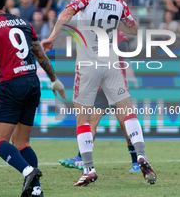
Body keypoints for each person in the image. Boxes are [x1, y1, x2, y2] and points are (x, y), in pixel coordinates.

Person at [41, 0, 156, 186]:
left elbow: (66, 13)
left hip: (88, 64)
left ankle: (88, 169)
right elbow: (133, 29)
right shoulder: (118, 1)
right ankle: (141, 154)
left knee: (83, 118)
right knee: (127, 113)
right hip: (113, 64)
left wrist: (53, 36)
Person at [0, 0, 66, 197]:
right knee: (22, 143)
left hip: (12, 85)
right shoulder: (24, 22)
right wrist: (54, 79)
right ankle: (36, 191)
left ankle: (28, 171)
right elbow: (39, 53)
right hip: (32, 82)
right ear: (5, 0)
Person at [59, 30, 141, 173]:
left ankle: (137, 162)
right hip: (99, 86)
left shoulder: (119, 34)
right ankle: (80, 158)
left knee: (124, 123)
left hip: (115, 84)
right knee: (91, 121)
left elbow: (121, 50)